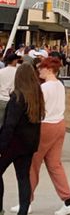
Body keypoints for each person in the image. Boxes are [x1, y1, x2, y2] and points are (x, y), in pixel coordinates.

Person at [29, 56, 70, 215]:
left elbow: (36, 109)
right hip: (59, 125)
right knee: (55, 165)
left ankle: (26, 201)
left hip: (45, 126)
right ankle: (68, 201)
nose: (39, 70)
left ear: (49, 69)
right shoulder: (60, 86)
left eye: (42, 67)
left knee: (33, 165)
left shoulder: (44, 88)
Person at [0, 62, 44, 215]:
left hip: (13, 143)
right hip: (29, 144)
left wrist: (1, 145)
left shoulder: (17, 97)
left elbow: (9, 125)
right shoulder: (37, 96)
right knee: (23, 177)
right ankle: (23, 211)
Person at [0, 51, 21, 126]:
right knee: (10, 124)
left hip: (1, 99)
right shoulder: (18, 72)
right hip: (13, 100)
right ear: (14, 61)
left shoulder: (1, 71)